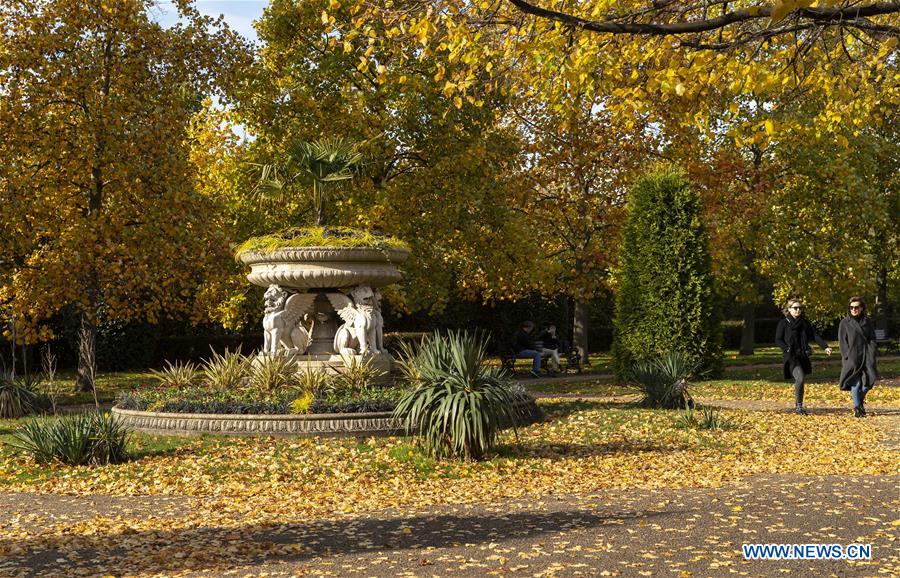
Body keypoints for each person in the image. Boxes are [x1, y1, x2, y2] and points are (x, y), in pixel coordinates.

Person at [775, 298, 832, 415]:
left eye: (800, 308)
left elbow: (814, 335)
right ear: (789, 309)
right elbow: (778, 339)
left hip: (803, 356)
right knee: (800, 378)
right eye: (795, 308)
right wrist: (787, 348)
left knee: (801, 380)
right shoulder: (783, 323)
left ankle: (799, 404)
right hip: (791, 357)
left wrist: (825, 347)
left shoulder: (804, 323)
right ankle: (799, 406)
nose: (798, 310)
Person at [838, 296, 878, 418]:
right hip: (852, 357)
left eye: (856, 307)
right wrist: (846, 355)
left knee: (869, 381)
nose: (854, 310)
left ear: (861, 308)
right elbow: (842, 341)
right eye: (851, 307)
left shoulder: (867, 321)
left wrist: (872, 350)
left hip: (867, 355)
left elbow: (872, 337)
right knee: (856, 383)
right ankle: (857, 408)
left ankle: (859, 403)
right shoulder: (845, 322)